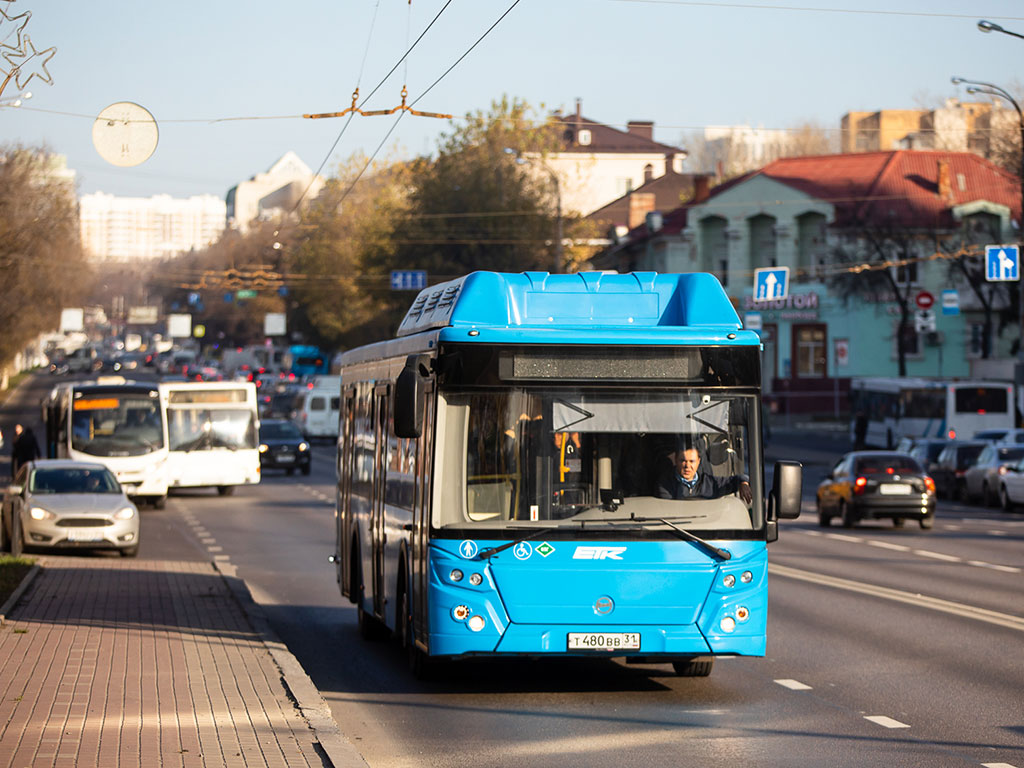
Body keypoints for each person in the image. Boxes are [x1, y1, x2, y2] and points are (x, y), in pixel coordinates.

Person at [655, 437, 752, 503]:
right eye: (683, 461)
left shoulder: (709, 483)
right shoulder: (665, 484)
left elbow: (736, 479)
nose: (687, 466)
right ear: (676, 460)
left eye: (691, 461)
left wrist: (743, 483)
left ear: (698, 462)